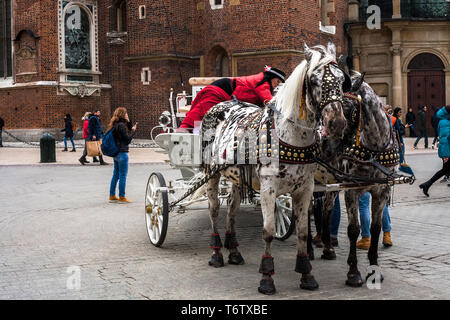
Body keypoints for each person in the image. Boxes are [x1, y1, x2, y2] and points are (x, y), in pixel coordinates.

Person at [178, 66, 286, 130]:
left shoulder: (262, 82)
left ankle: (193, 133)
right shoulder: (262, 83)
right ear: (270, 78)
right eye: (277, 81)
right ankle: (186, 132)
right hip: (221, 91)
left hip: (225, 93)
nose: (277, 84)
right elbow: (269, 102)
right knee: (205, 113)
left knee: (207, 114)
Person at [419, 105, 450, 196]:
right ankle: (427, 184)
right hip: (447, 150)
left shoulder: (445, 121)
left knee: (445, 170)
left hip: (447, 149)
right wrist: (445, 154)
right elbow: (445, 137)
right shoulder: (445, 122)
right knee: (445, 170)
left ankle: (427, 184)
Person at [108, 107, 137, 203]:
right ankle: (122, 196)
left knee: (115, 174)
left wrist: (129, 122)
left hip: (116, 153)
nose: (127, 115)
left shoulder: (114, 125)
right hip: (122, 153)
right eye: (126, 113)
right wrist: (133, 131)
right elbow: (127, 139)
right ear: (122, 115)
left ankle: (112, 195)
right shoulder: (121, 126)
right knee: (123, 175)